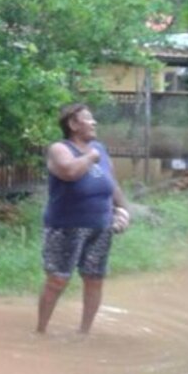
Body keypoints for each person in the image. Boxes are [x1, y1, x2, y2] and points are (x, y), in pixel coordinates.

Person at [36, 103, 130, 334]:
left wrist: (123, 210)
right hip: (66, 227)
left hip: (100, 226)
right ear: (73, 124)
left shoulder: (99, 148)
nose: (94, 123)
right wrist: (91, 157)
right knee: (57, 280)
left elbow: (111, 183)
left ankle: (84, 332)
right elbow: (69, 172)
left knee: (94, 278)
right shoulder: (60, 149)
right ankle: (40, 331)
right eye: (88, 119)